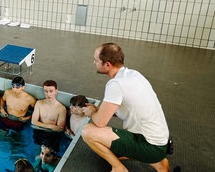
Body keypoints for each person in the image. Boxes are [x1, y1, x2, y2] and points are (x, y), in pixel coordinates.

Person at [81, 43, 171, 172]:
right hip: (161, 142)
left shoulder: (116, 84)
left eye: (96, 60)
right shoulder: (133, 75)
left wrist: (91, 113)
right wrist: (97, 111)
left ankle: (119, 169)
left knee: (88, 131)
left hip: (149, 146)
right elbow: (127, 108)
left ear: (107, 64)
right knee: (110, 150)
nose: (93, 62)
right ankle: (159, 164)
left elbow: (100, 122)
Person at [31, 80, 66, 152]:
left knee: (49, 155)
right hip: (39, 132)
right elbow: (33, 121)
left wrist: (41, 125)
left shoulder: (61, 109)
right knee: (38, 154)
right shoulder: (39, 103)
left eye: (51, 91)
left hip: (52, 135)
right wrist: (51, 126)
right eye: (46, 91)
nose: (48, 94)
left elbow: (59, 128)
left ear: (56, 91)